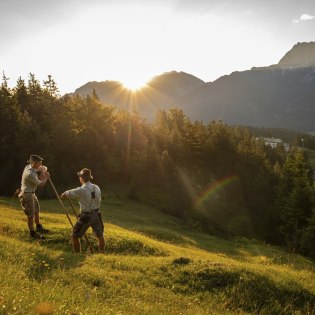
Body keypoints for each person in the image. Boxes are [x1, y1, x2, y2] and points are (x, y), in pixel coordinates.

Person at [60, 168, 104, 253]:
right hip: (97, 214)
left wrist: (62, 196)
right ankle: (102, 253)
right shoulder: (96, 187)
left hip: (86, 216)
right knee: (100, 235)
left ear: (81, 178)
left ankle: (77, 255)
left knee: (74, 236)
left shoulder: (81, 190)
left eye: (80, 177)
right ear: (89, 178)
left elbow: (66, 194)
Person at [19, 154, 50, 239]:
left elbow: (43, 167)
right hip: (27, 194)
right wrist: (45, 178)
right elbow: (40, 184)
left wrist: (44, 170)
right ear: (34, 163)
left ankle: (38, 227)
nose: (41, 164)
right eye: (39, 162)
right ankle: (32, 233)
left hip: (31, 193)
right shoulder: (30, 174)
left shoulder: (29, 166)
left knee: (36, 210)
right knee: (30, 214)